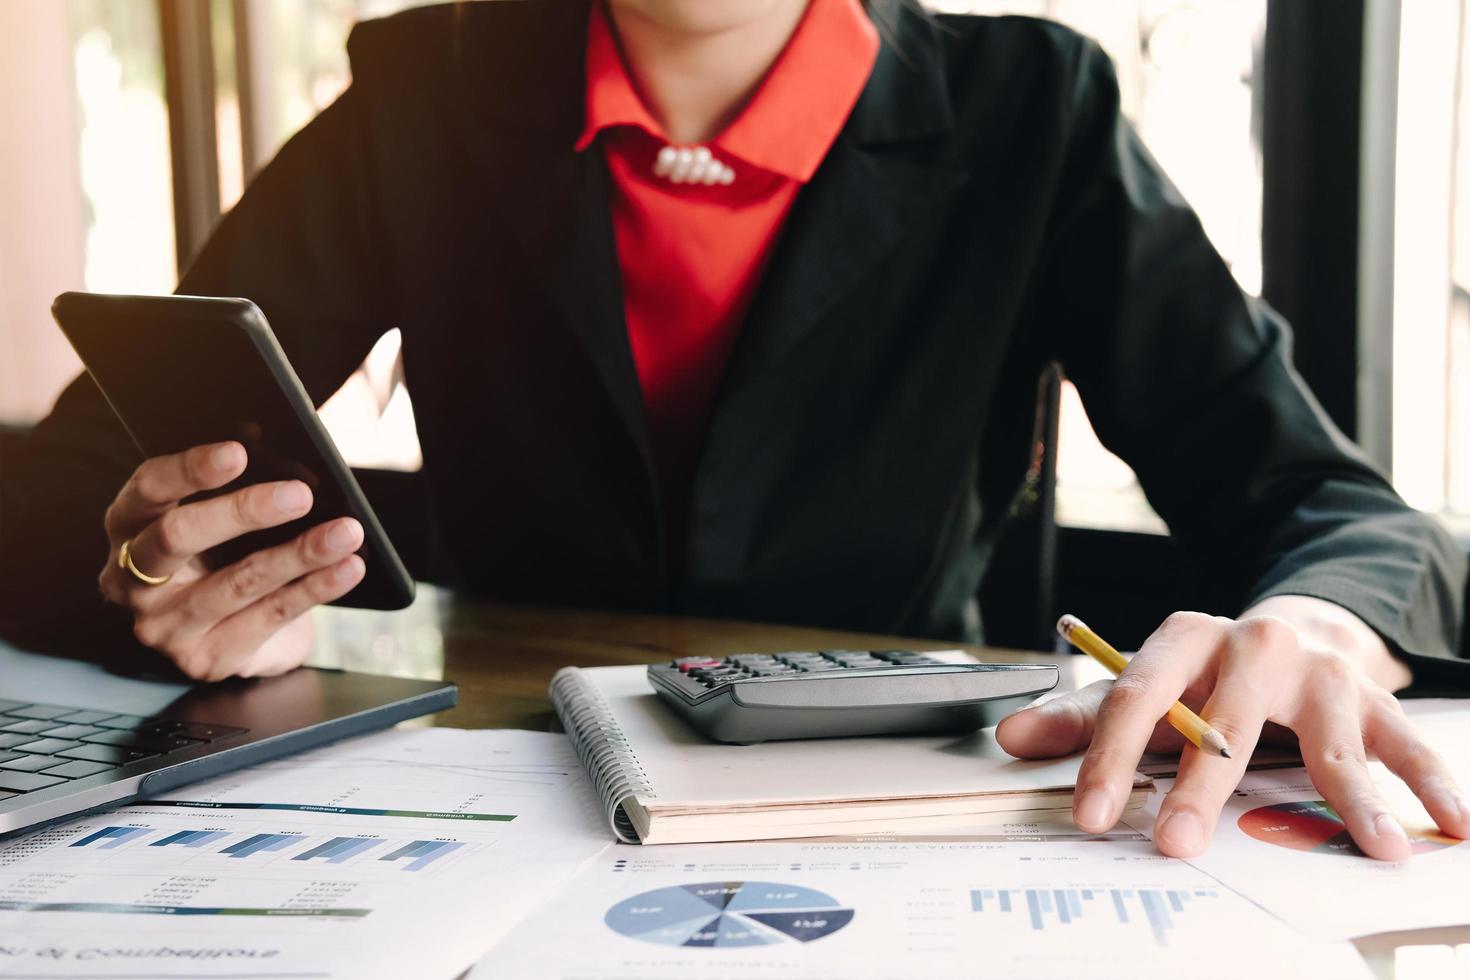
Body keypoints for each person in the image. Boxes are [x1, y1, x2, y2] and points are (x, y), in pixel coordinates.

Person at [1, 0, 1466, 862]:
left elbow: (1330, 511)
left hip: (916, 803)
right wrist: (156, 576)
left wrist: (1324, 619)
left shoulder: (1035, 108)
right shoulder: (425, 91)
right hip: (497, 794)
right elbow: (73, 483)